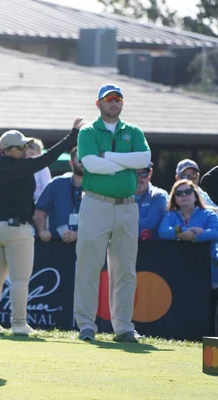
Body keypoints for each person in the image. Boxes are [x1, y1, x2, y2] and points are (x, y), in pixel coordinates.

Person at [0, 120, 81, 336]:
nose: (25, 150)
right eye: (21, 147)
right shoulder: (21, 166)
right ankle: (18, 324)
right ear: (8, 149)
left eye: (26, 146)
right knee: (19, 279)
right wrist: (72, 136)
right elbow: (49, 157)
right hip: (17, 229)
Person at [74, 83, 151, 343]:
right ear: (99, 104)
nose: (114, 103)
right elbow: (92, 165)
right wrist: (124, 161)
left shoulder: (134, 131)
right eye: (109, 99)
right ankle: (86, 325)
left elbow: (144, 160)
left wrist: (110, 156)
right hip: (96, 203)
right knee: (88, 267)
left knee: (125, 269)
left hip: (128, 206)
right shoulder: (88, 132)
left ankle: (124, 327)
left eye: (118, 99)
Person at [158, 179, 218, 334]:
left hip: (208, 272)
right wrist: (186, 232)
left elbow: (216, 232)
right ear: (174, 198)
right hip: (181, 272)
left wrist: (198, 236)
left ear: (195, 195)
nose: (184, 196)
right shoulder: (170, 216)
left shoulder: (208, 214)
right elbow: (163, 231)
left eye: (188, 192)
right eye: (179, 193)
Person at [34, 146, 83, 243]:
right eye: (79, 159)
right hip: (56, 242)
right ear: (71, 163)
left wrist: (79, 234)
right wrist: (42, 230)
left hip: (86, 243)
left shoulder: (98, 187)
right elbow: (39, 211)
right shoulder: (56, 183)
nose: (83, 163)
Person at [135, 162, 168, 240]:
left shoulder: (159, 196)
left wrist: (123, 223)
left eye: (143, 174)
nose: (139, 178)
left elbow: (150, 222)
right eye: (135, 174)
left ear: (150, 173)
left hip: (152, 249)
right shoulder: (123, 196)